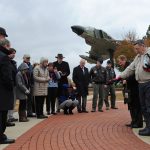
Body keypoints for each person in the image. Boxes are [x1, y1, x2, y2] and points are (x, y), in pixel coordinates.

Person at [119, 40, 150, 136]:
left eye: (137, 48)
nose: (136, 51)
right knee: (143, 106)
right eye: (135, 49)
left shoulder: (149, 54)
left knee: (149, 106)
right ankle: (148, 127)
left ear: (143, 46)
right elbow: (130, 69)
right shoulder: (138, 57)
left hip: (149, 83)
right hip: (140, 84)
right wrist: (119, 77)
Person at [117, 55, 143, 129]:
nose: (119, 63)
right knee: (131, 106)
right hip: (129, 90)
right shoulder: (126, 67)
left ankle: (138, 123)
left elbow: (135, 75)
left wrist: (126, 80)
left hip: (134, 90)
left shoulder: (130, 66)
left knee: (136, 106)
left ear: (124, 60)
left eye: (120, 61)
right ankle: (134, 121)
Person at [0, 27, 15, 144]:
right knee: (2, 114)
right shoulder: (3, 56)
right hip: (3, 91)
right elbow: (6, 77)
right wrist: (11, 86)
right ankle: (1, 137)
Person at [7, 48, 18, 123]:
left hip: (14, 84)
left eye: (14, 53)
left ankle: (10, 116)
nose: (13, 55)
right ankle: (7, 118)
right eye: (12, 53)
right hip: (7, 84)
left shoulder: (14, 63)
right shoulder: (5, 61)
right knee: (7, 101)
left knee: (13, 101)